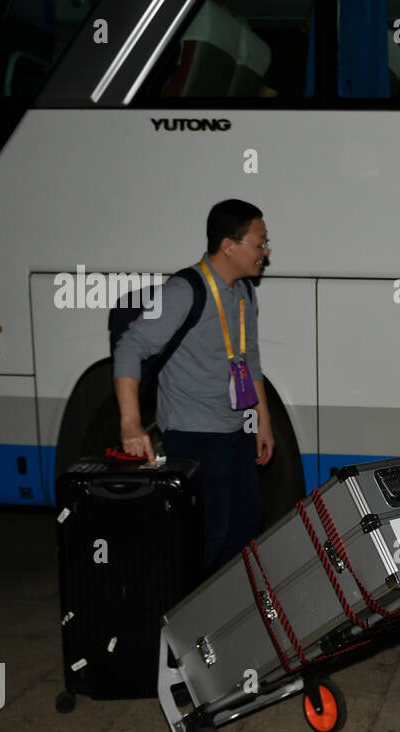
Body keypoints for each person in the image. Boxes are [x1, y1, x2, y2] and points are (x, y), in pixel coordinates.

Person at [113, 199, 275, 576]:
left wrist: (263, 421)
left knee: (247, 524)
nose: (265, 253)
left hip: (234, 429)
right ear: (229, 245)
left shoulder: (244, 291)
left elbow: (249, 358)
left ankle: (223, 610)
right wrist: (130, 424)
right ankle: (181, 616)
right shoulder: (184, 291)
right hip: (192, 433)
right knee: (207, 534)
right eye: (260, 242)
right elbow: (130, 347)